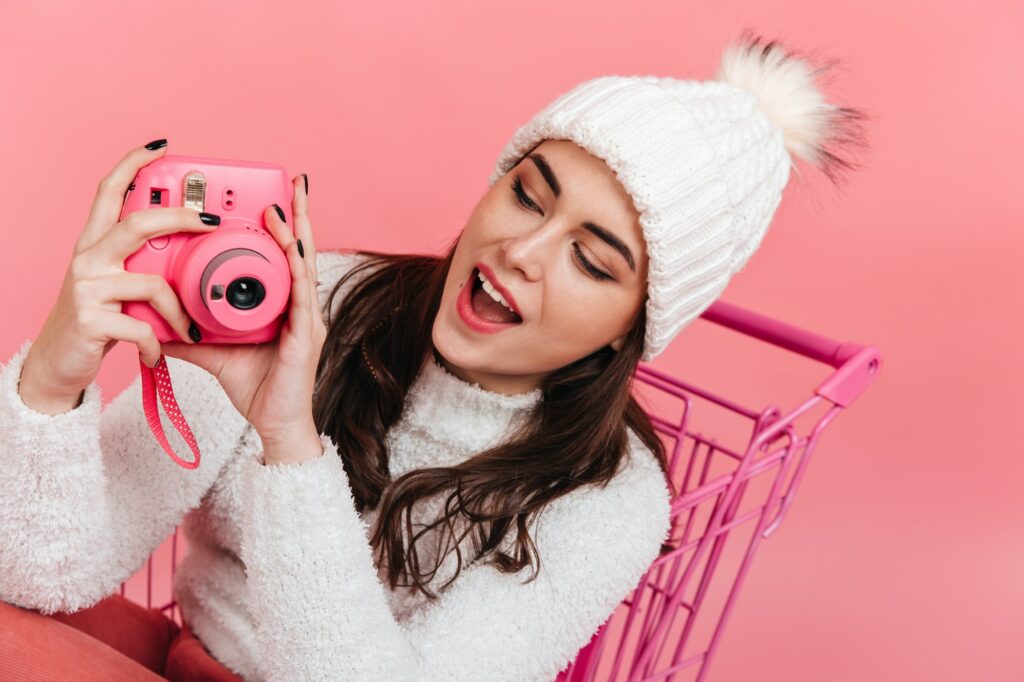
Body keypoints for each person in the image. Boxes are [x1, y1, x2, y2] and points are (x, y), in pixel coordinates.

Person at [0, 32, 867, 681]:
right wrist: (52, 380)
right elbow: (44, 568)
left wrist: (290, 443)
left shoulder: (611, 501)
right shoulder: (312, 302)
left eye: (593, 259)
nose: (524, 250)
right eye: (528, 193)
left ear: (628, 330)